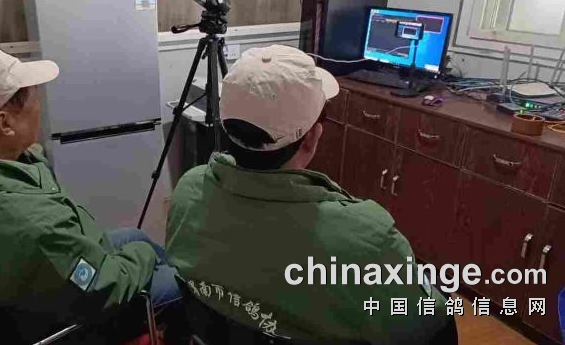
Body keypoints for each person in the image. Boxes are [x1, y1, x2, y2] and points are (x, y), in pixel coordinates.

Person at [165, 45, 453, 344]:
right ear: (312, 138)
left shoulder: (189, 188)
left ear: (226, 126)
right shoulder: (366, 237)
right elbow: (426, 323)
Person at [0, 45, 180, 343]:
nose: (40, 104)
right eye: (32, 96)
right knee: (182, 281)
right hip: (62, 314)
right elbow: (100, 286)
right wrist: (142, 257)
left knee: (135, 236)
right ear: (4, 123)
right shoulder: (32, 224)